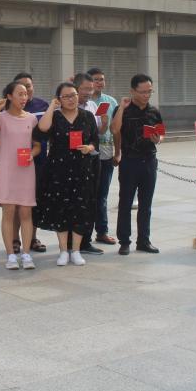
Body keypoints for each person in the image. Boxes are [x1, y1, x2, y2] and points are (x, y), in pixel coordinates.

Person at [34, 82, 99, 266]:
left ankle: (76, 250)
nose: (71, 99)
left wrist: (89, 148)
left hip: (82, 169)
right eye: (66, 96)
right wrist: (51, 107)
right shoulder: (55, 116)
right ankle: (63, 250)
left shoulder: (87, 116)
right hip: (58, 169)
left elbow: (95, 140)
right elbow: (42, 129)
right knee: (60, 208)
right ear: (59, 99)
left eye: (74, 95)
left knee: (80, 208)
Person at [0, 81, 40, 270]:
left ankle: (26, 254)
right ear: (9, 96)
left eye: (25, 94)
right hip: (7, 170)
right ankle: (10, 255)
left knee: (26, 212)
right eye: (20, 94)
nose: (24, 97)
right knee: (8, 212)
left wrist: (31, 154)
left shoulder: (32, 119)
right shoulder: (1, 117)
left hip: (26, 170)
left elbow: (37, 145)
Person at [111, 74, 163, 256]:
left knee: (146, 204)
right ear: (132, 91)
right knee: (125, 203)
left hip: (149, 160)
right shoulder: (122, 109)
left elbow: (161, 133)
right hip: (129, 162)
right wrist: (121, 108)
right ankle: (124, 241)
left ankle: (144, 241)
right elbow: (114, 129)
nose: (146, 95)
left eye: (149, 91)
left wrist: (158, 139)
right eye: (143, 92)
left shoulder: (154, 111)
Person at [14, 72, 50, 254]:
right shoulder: (9, 108)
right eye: (21, 87)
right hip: (15, 162)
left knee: (34, 201)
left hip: (39, 161)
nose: (26, 90)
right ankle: (14, 239)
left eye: (28, 85)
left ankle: (32, 238)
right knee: (14, 202)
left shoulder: (43, 106)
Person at [73, 72, 105, 256]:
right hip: (71, 162)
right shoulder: (63, 108)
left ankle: (86, 240)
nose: (88, 92)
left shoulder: (93, 106)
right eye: (84, 89)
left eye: (90, 89)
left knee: (90, 200)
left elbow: (97, 134)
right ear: (76, 88)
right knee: (72, 201)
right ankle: (69, 242)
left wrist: (104, 123)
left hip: (91, 160)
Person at [87, 67, 118, 246]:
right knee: (88, 194)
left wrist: (118, 152)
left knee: (102, 195)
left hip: (106, 153)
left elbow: (116, 129)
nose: (99, 82)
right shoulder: (84, 101)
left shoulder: (111, 101)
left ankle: (102, 231)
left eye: (102, 79)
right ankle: (84, 233)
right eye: (96, 79)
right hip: (88, 154)